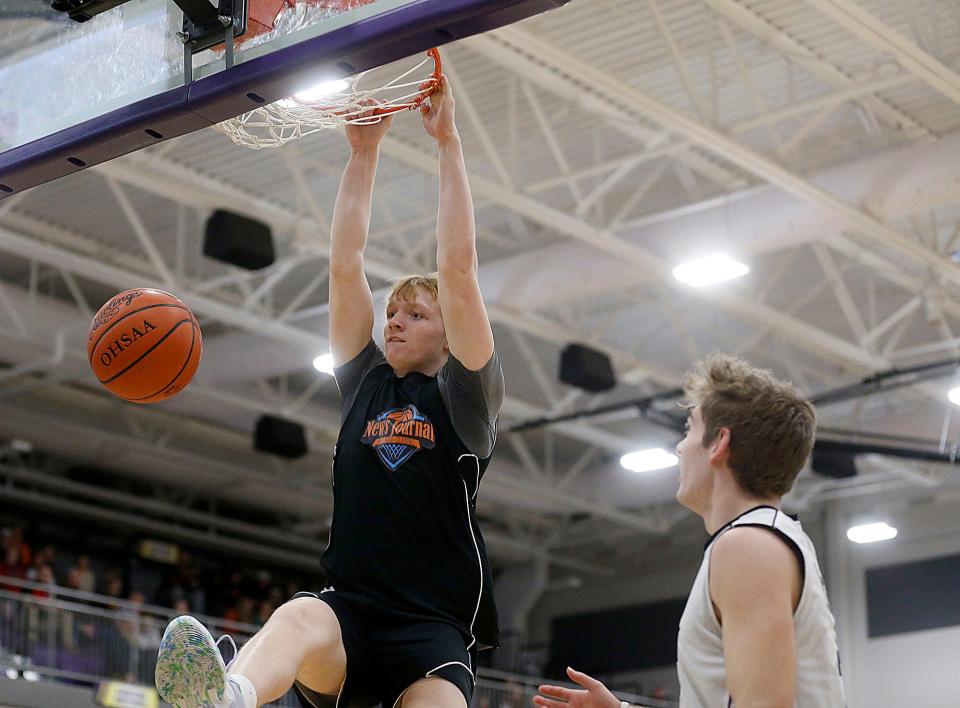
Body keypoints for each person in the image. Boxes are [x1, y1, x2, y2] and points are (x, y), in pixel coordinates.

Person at [155, 74, 504, 708]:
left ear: (450, 335)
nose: (393, 320)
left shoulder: (467, 400)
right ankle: (225, 698)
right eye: (392, 311)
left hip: (432, 631)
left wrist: (448, 141)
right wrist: (362, 154)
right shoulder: (364, 381)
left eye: (415, 315)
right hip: (349, 615)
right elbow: (346, 263)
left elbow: (458, 268)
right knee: (295, 616)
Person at [534, 355, 844, 708]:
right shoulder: (761, 538)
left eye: (689, 429)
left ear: (719, 443)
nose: (681, 447)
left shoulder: (748, 545)